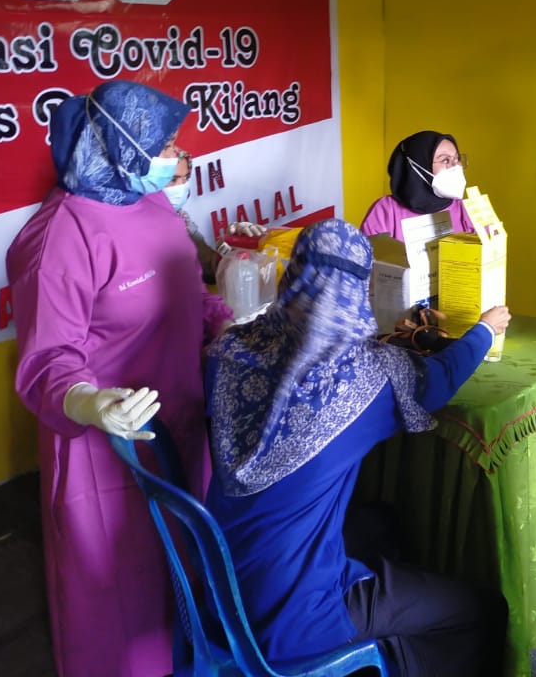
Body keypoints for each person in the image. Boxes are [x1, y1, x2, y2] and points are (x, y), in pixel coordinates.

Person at [204, 218, 510, 676]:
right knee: (483, 608)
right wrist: (484, 330)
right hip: (294, 617)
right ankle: (387, 661)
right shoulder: (366, 380)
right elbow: (439, 379)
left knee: (383, 521)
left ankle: (384, 639)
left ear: (292, 275)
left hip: (220, 585)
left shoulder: (229, 352)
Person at [7, 79, 234, 677]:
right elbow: (48, 358)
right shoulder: (59, 236)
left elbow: (187, 291)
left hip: (180, 419)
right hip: (107, 443)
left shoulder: (151, 204)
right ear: (121, 147)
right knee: (115, 591)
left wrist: (228, 321)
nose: (176, 157)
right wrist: (90, 402)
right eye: (165, 146)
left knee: (181, 566)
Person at [361, 131, 476, 241]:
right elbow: (367, 253)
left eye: (457, 158)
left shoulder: (468, 210)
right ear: (418, 166)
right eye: (445, 160)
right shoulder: (385, 211)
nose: (456, 167)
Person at [165, 149, 219, 284]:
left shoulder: (181, 217)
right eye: (173, 180)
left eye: (186, 178)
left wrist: (235, 248)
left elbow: (207, 265)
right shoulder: (135, 225)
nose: (182, 186)